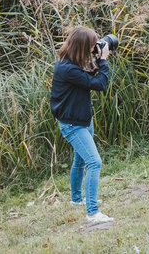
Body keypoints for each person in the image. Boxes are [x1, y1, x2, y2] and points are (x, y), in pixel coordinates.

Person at [50, 26, 114, 224]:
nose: (93, 48)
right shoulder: (67, 69)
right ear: (82, 46)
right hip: (72, 125)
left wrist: (97, 60)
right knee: (95, 162)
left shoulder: (70, 62)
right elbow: (99, 84)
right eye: (91, 46)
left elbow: (88, 75)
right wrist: (103, 60)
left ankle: (77, 200)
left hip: (82, 119)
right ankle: (93, 213)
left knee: (80, 161)